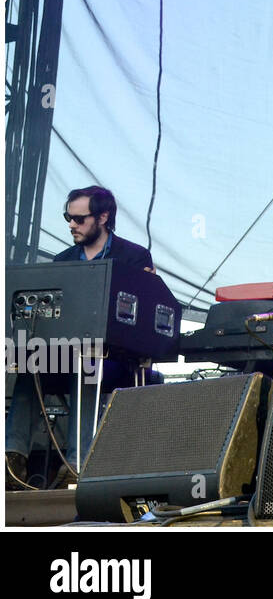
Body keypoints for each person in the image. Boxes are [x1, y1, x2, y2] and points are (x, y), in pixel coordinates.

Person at [6, 186, 155, 490]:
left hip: (116, 360)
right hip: (69, 355)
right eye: (68, 218)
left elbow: (146, 312)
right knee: (29, 365)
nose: (71, 225)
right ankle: (13, 457)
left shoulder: (134, 256)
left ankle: (77, 465)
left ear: (103, 216)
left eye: (78, 218)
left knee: (88, 363)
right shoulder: (63, 260)